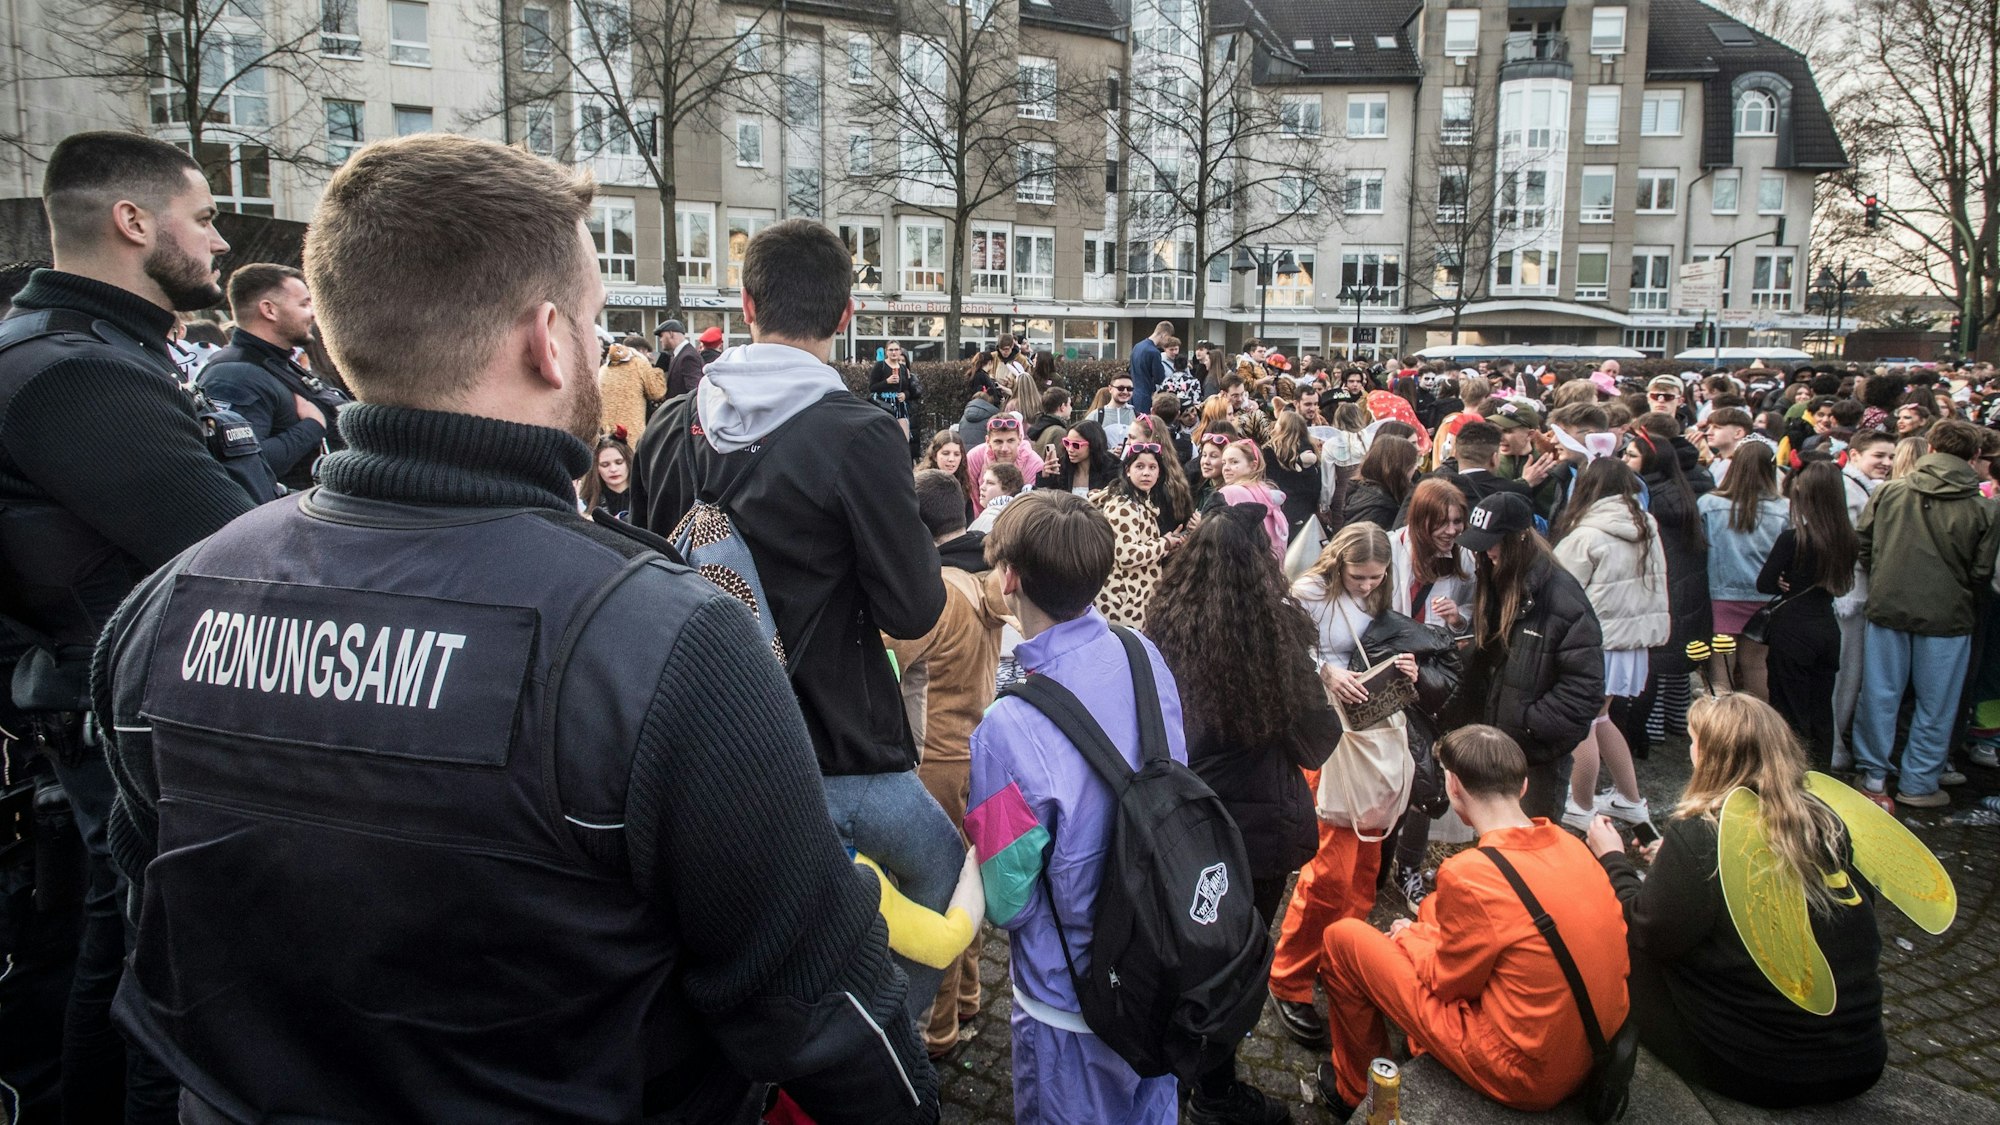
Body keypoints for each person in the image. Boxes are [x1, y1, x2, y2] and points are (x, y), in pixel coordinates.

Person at [96, 134, 934, 1122]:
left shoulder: (169, 606)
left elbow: (154, 925)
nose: (597, 347)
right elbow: (823, 1010)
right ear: (546, 338)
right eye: (594, 322)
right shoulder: (662, 642)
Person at [632, 218, 964, 1008]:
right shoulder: (860, 435)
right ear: (846, 315)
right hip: (833, 746)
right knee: (944, 883)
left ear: (746, 306)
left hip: (701, 746)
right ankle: (876, 1049)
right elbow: (915, 604)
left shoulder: (670, 428)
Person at [0, 131, 261, 1120]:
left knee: (117, 958)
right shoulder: (73, 373)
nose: (220, 242)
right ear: (132, 221)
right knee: (153, 981)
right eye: (203, 217)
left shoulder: (90, 350)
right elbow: (240, 540)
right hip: (125, 720)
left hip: (120, 711)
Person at [966, 492, 1180, 1123]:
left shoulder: (1007, 727)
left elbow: (1007, 898)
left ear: (1010, 580)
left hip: (1071, 1001)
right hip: (1163, 960)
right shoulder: (1143, 654)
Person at [1585, 694, 1885, 1108]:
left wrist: (1612, 858)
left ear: (1710, 755)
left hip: (1759, 1065)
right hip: (1860, 1054)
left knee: (1607, 937)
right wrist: (1675, 868)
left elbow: (1647, 932)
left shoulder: (1702, 835)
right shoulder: (1826, 822)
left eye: (1693, 741)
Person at [1315, 725, 1629, 1118]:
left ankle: (1357, 1090)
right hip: (1589, 1046)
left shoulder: (1471, 872)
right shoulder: (1570, 844)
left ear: (1454, 786)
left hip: (1523, 1071)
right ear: (1523, 786)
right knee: (1432, 909)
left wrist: (1409, 937)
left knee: (1343, 939)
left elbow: (1445, 981)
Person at [1146, 503, 1335, 1125]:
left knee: (1185, 947)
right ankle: (1217, 1090)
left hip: (1181, 827)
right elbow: (1316, 741)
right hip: (1256, 834)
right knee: (1240, 961)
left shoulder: (1163, 626)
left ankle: (1166, 1069)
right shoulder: (1275, 637)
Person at [889, 470, 1013, 1062]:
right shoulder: (980, 582)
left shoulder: (931, 596)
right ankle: (966, 996)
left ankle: (934, 1030)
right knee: (966, 881)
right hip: (977, 756)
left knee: (933, 896)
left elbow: (886, 665)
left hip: (933, 764)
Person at [1853, 418, 2000, 808]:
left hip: (1889, 606)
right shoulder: (1984, 508)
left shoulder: (1891, 492)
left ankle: (1873, 777)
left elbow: (1863, 546)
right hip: (1949, 616)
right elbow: (1982, 572)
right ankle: (1918, 783)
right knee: (1937, 704)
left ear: (1930, 448)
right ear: (1975, 457)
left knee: (1880, 694)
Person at [1452, 493, 1604, 821]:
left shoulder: (1562, 597)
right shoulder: (1496, 580)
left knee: (1535, 840)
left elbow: (1586, 688)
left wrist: (1527, 725)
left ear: (1519, 538)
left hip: (1534, 759)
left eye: (1493, 543)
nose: (1485, 552)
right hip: (1498, 747)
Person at [1551, 459, 1669, 830]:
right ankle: (1629, 800)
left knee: (1581, 723)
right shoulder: (1647, 525)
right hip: (1632, 644)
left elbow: (1561, 589)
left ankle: (1580, 805)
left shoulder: (1586, 535)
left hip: (1595, 642)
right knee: (1601, 718)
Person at [196, 262, 347, 491]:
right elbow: (242, 465)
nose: (313, 313)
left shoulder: (274, 363)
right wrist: (312, 426)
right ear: (269, 310)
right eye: (304, 304)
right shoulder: (234, 374)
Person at [1757, 462, 1857, 766]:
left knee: (1789, 710)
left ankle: (1789, 778)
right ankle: (1821, 777)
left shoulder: (1793, 539)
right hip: (1827, 628)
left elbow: (1763, 583)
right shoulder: (1848, 539)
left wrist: (1780, 580)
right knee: (1820, 710)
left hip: (1793, 630)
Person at [1698, 444, 1789, 701]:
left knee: (1721, 671)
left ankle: (1721, 732)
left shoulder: (1708, 504)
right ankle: (1760, 730)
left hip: (1721, 595)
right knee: (1756, 667)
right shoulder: (1785, 509)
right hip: (1764, 599)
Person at [1832, 429, 1895, 769]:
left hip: (1857, 591)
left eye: (1890, 456)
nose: (1886, 463)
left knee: (1851, 671)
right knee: (1845, 670)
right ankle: (1833, 742)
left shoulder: (1869, 488)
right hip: (1849, 593)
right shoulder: (1848, 489)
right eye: (1879, 456)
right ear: (1854, 455)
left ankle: (1836, 738)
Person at [1089, 440, 1185, 628]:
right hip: (1123, 603)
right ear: (1127, 470)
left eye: (1152, 467)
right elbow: (1126, 555)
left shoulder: (1138, 500)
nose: (1146, 473)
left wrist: (1167, 542)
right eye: (1139, 466)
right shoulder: (1125, 505)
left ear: (1159, 472)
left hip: (1132, 598)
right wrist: (1165, 543)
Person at [965, 414, 1044, 514]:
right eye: (998, 442)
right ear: (988, 441)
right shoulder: (974, 457)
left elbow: (1028, 506)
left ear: (1020, 439)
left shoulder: (1034, 463)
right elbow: (976, 500)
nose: (1004, 449)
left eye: (1010, 441)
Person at [1264, 410, 1323, 534]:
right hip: (1307, 510)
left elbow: (1269, 481)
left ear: (1282, 427)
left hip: (1282, 510)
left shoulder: (1271, 451)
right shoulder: (1311, 451)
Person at [595, 339, 666, 443]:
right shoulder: (640, 364)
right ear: (642, 350)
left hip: (607, 431)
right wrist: (656, 370)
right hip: (632, 431)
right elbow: (657, 392)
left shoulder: (605, 367)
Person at [1342, 434, 1417, 531]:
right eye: (1412, 465)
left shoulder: (1365, 491)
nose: (1415, 468)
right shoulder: (1378, 508)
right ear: (1399, 468)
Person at [1039, 419, 1114, 496]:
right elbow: (1046, 501)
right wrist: (1045, 478)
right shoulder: (1061, 467)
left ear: (1093, 445)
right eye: (1067, 443)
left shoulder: (1113, 469)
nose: (1070, 449)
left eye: (1076, 445)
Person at [869, 340, 919, 442]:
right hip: (883, 406)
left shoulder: (903, 368)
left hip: (900, 405)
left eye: (896, 349)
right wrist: (887, 381)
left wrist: (905, 395)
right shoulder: (880, 365)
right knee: (886, 438)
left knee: (904, 439)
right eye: (891, 350)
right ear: (886, 352)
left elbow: (908, 390)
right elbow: (872, 387)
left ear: (900, 351)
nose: (893, 352)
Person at [581, 428, 635, 520]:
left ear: (628, 462)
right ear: (596, 468)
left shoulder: (646, 497)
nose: (613, 469)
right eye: (605, 465)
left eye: (619, 462)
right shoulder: (585, 502)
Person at [967, 461, 1025, 534]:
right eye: (983, 481)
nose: (982, 487)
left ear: (1008, 489)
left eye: (990, 483)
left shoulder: (989, 519)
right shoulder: (1021, 515)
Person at [654, 318, 705, 399]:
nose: (660, 340)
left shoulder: (688, 357)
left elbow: (695, 392)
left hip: (683, 411)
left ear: (671, 334)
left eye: (661, 336)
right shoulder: (680, 355)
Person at [1128, 319, 1172, 412]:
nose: (1166, 343)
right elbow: (1159, 378)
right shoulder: (1154, 352)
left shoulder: (1137, 346)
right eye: (1168, 339)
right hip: (1146, 396)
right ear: (1164, 335)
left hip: (1133, 394)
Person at [1087, 373, 1138, 446]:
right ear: (1110, 389)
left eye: (1129, 389)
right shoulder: (1095, 416)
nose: (1125, 392)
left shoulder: (1138, 417)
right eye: (1120, 388)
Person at [1027, 386, 1073, 462]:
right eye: (1070, 404)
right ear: (1062, 407)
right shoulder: (1059, 432)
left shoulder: (1039, 427)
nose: (1071, 408)